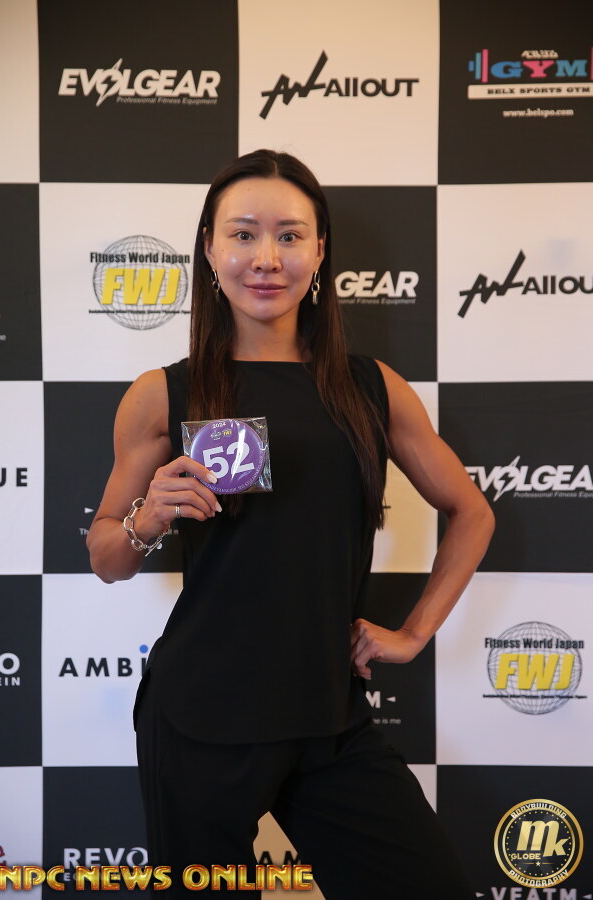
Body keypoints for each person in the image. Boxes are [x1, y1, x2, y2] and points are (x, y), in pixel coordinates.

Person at [87, 148, 494, 898]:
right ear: (210, 249)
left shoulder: (372, 388)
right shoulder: (161, 393)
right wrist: (149, 516)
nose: (266, 258)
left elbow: (471, 512)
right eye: (243, 234)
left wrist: (412, 634)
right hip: (200, 721)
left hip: (328, 719)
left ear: (320, 250)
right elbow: (106, 554)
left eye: (289, 235)